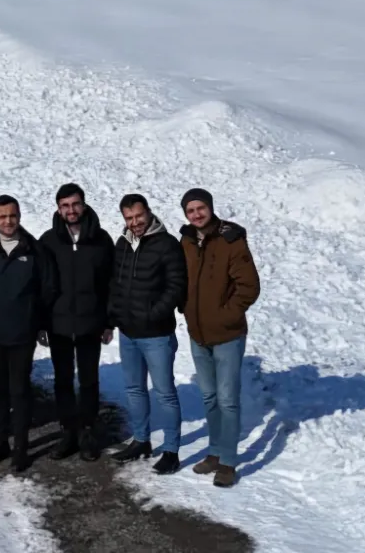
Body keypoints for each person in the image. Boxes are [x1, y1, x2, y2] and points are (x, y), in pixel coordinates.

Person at [178, 188, 260, 489]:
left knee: (227, 400)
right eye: (190, 210)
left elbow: (249, 286)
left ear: (210, 208)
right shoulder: (186, 241)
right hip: (198, 334)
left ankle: (227, 461)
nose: (196, 214)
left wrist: (226, 316)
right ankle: (213, 451)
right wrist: (184, 306)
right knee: (209, 397)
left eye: (201, 208)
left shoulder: (231, 239)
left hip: (227, 335)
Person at [0, 195, 57, 473]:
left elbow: (47, 288)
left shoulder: (33, 249)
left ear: (19, 216)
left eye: (13, 216)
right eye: (2, 217)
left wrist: (37, 321)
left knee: (19, 391)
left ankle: (21, 446)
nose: (8, 222)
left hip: (22, 334)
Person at [107, 194, 187, 475]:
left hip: (156, 335)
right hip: (128, 333)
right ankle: (141, 440)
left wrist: (155, 313)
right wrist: (113, 317)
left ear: (149, 213)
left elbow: (177, 285)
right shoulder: (123, 244)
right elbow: (114, 284)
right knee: (134, 388)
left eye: (139, 216)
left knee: (165, 393)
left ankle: (172, 451)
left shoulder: (167, 245)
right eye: (129, 218)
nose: (135, 222)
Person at [38, 183, 115, 462]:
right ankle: (67, 431)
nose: (71, 210)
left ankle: (87, 431)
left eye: (75, 204)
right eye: (65, 205)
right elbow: (42, 285)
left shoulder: (101, 240)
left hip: (90, 322)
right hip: (58, 324)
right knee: (62, 380)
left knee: (89, 380)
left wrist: (108, 322)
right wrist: (41, 323)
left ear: (83, 204)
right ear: (58, 208)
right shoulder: (48, 241)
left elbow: (110, 283)